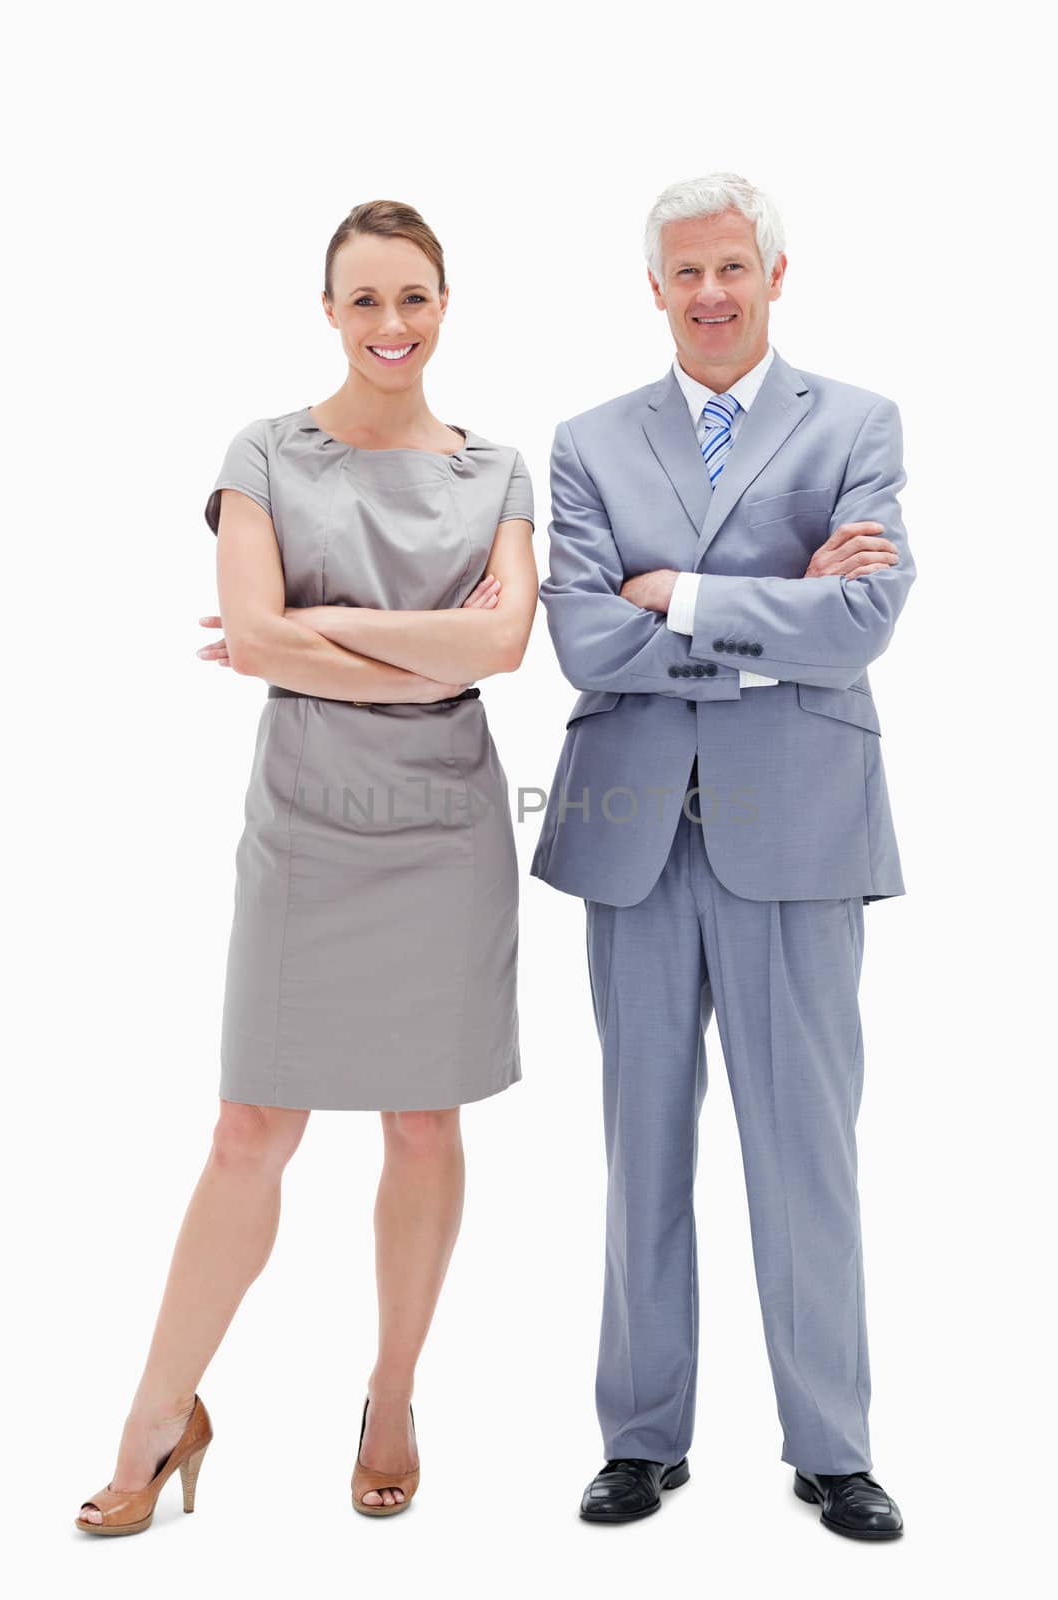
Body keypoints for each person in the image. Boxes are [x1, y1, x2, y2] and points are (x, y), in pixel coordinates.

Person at [75, 199, 537, 1533]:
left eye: (415, 298)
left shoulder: (497, 469)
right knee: (246, 1132)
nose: (392, 325)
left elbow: (503, 651)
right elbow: (260, 651)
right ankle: (157, 1416)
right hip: (308, 825)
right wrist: (409, 644)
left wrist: (318, 622)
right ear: (328, 311)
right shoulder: (264, 450)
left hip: (447, 832)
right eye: (365, 300)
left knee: (422, 1122)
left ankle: (392, 1397)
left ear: (446, 305)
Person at [529, 171, 911, 1540]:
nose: (708, 295)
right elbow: (585, 638)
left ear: (775, 274)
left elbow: (862, 619)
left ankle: (832, 1444)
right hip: (633, 831)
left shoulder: (856, 423)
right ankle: (641, 1438)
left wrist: (678, 595)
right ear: (654, 288)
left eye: (730, 270)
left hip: (800, 827)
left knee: (805, 1147)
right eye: (684, 273)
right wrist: (773, 614)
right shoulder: (586, 441)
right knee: (641, 1146)